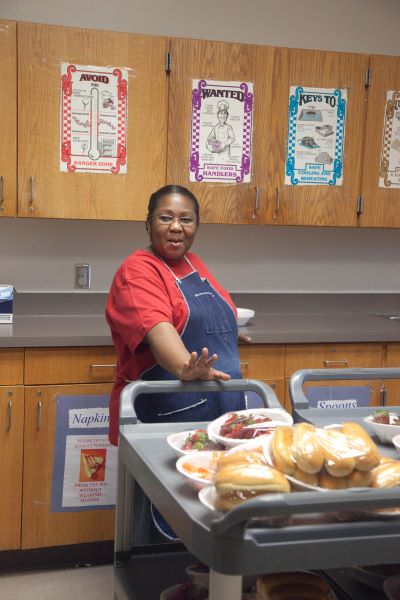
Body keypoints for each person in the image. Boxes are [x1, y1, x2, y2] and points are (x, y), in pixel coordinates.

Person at [106, 184, 247, 540]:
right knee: (173, 510)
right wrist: (185, 366)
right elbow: (158, 330)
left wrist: (228, 333)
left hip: (219, 409)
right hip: (172, 412)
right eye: (165, 217)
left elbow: (201, 316)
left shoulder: (192, 264)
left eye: (186, 219)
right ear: (148, 222)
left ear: (197, 225)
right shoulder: (137, 272)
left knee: (213, 505)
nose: (175, 227)